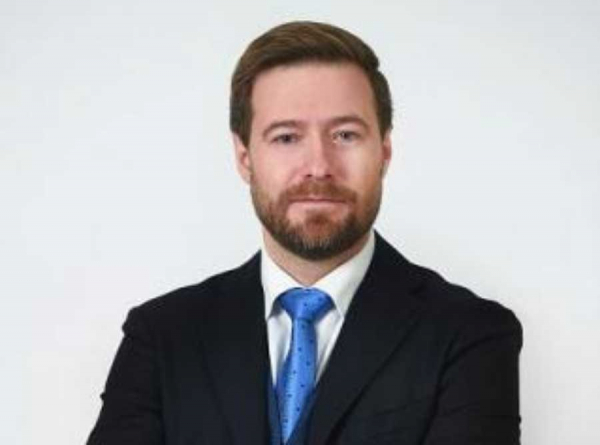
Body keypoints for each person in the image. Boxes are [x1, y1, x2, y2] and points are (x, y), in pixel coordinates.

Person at [87, 21, 522, 445]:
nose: (318, 166)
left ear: (384, 152)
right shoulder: (162, 336)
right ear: (244, 157)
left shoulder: (472, 335)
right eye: (286, 137)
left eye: (346, 135)